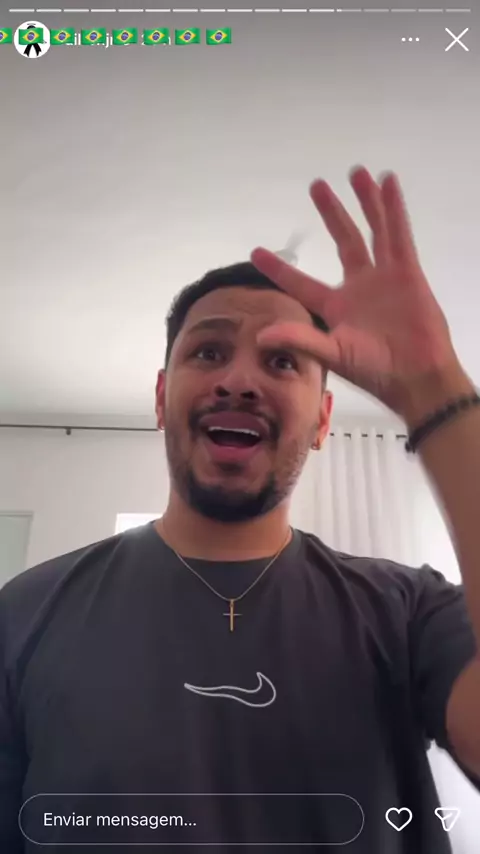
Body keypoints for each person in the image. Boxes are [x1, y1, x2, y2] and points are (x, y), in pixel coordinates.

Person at [1, 166, 480, 854]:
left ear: (323, 419)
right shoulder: (21, 616)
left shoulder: (409, 612)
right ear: (162, 397)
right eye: (209, 351)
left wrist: (437, 389)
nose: (239, 380)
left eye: (283, 362)